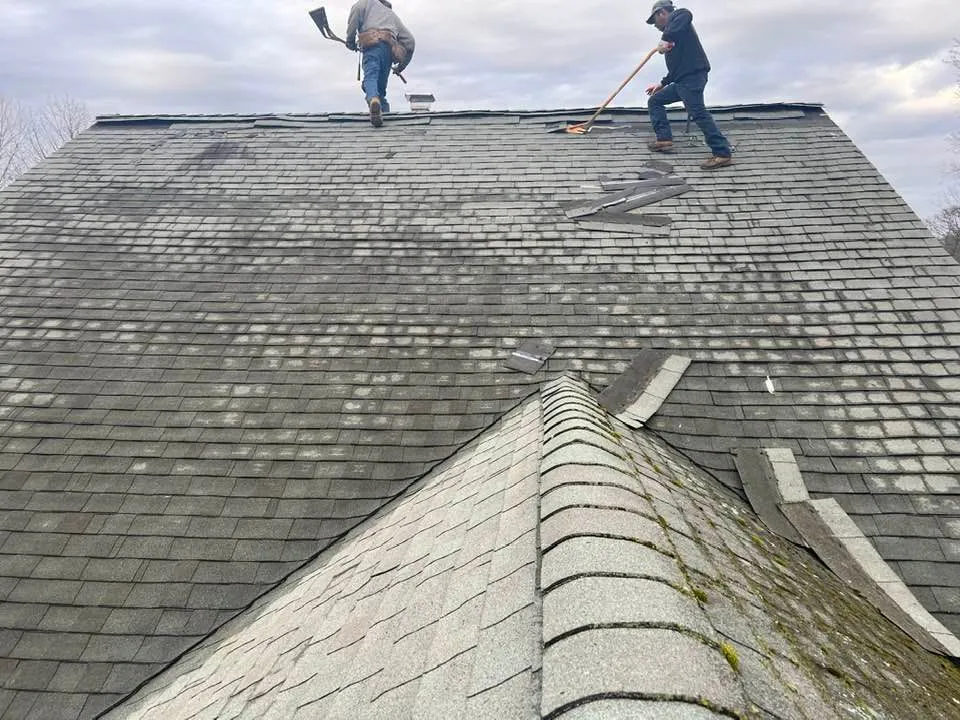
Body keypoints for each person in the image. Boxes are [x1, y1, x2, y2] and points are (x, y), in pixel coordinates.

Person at [643, 0, 732, 169]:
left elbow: (685, 14)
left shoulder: (680, 17)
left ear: (662, 13)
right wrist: (662, 83)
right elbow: (677, 68)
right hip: (682, 81)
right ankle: (664, 139)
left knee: (697, 112)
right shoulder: (674, 37)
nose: (655, 26)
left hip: (692, 78)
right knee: (655, 101)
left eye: (655, 21)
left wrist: (665, 39)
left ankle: (722, 153)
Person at [345, 0, 415, 128]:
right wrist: (401, 66)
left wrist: (350, 41)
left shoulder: (364, 3)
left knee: (370, 78)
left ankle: (373, 100)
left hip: (372, 46)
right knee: (381, 89)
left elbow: (354, 16)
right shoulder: (392, 15)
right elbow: (410, 41)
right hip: (388, 51)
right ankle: (384, 114)